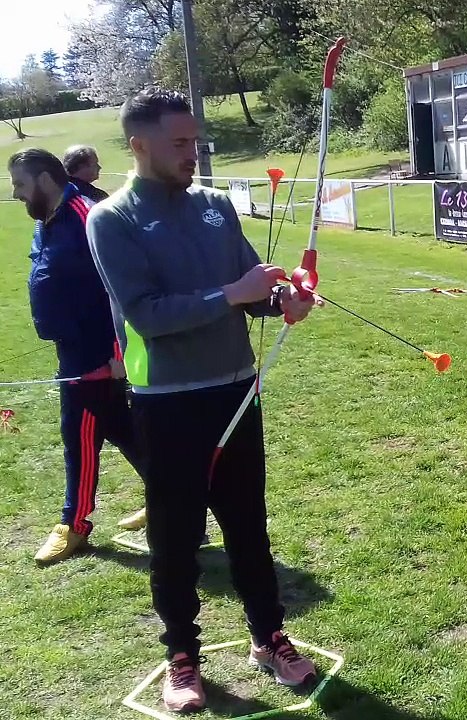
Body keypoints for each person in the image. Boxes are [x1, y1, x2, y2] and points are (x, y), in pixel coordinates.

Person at [86, 87, 319, 714]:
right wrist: (233, 292)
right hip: (167, 402)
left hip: (236, 393)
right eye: (180, 143)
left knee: (249, 526)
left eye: (196, 140)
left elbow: (254, 289)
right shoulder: (111, 219)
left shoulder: (216, 206)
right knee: (176, 536)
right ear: (139, 145)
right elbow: (146, 314)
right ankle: (181, 656)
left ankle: (270, 639)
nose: (194, 152)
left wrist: (283, 300)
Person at [7, 148, 147, 565]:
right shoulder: (46, 221)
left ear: (45, 180)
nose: (15, 193)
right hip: (71, 351)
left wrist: (119, 353)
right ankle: (172, 500)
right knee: (123, 430)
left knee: (79, 437)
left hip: (97, 357)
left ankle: (75, 525)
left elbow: (123, 286)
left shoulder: (89, 215)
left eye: (19, 184)